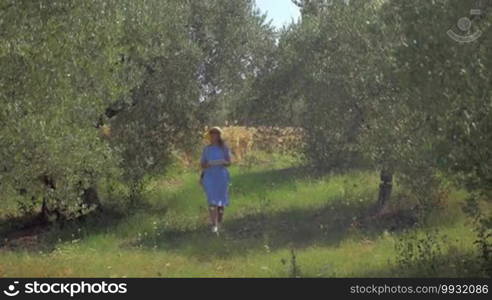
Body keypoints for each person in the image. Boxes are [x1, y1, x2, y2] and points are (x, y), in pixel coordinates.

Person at [200, 127, 232, 234]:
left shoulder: (224, 148)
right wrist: (208, 164)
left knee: (221, 203)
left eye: (216, 134)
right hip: (209, 176)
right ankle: (214, 225)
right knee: (212, 201)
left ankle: (220, 221)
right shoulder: (207, 149)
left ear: (219, 136)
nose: (214, 136)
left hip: (221, 176)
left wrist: (222, 162)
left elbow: (229, 162)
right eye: (212, 134)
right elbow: (202, 164)